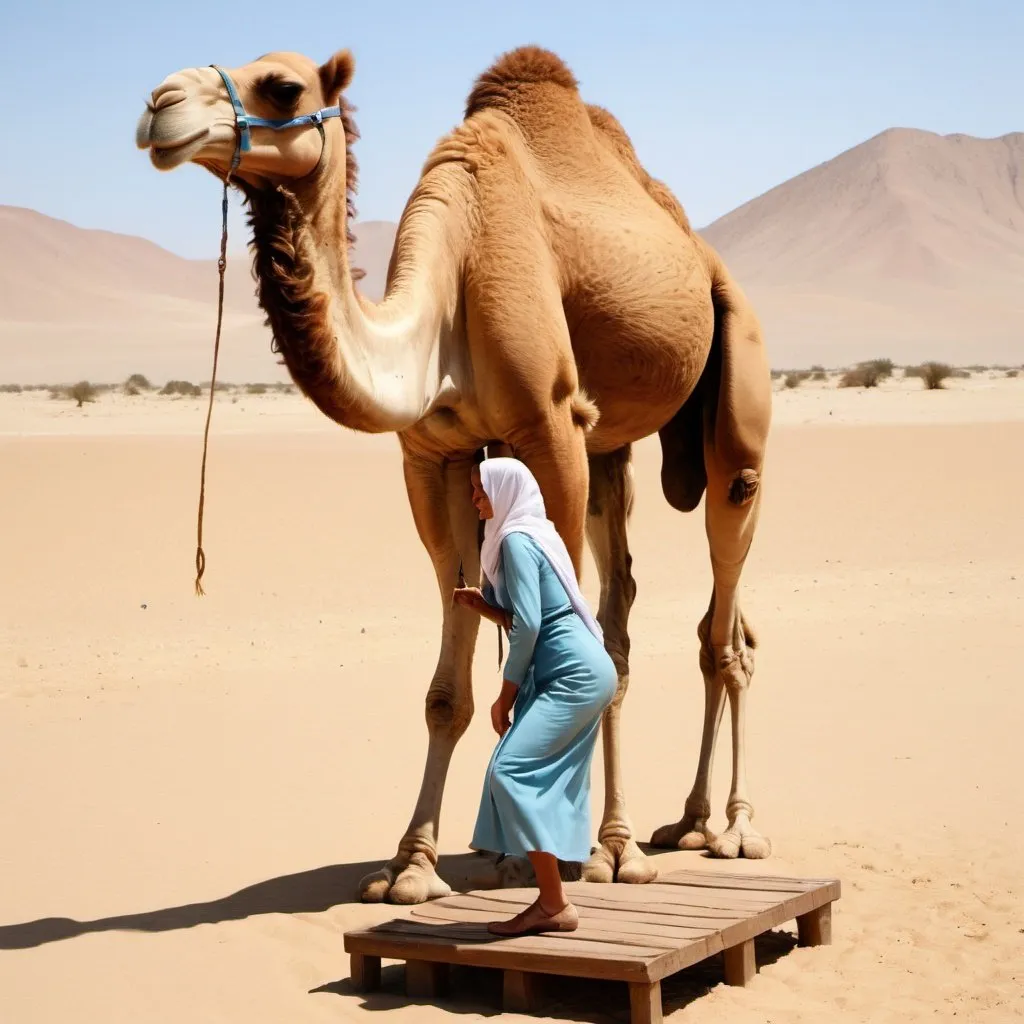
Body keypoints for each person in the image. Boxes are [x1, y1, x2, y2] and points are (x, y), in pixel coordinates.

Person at [452, 457, 616, 936]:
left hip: (573, 673)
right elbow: (536, 618)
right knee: (529, 774)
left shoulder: (518, 541)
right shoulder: (534, 534)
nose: (476, 498)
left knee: (510, 770)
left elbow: (531, 629)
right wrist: (486, 607)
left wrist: (504, 695)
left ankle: (552, 902)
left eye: (481, 489)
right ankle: (552, 899)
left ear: (505, 490)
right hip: (581, 668)